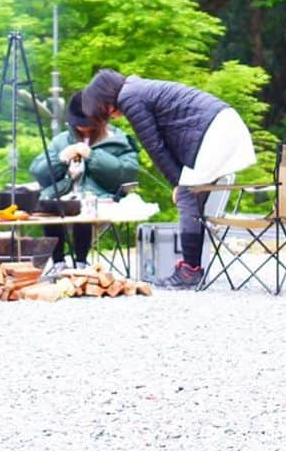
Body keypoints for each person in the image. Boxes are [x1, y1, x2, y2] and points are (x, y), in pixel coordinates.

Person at [81, 68, 256, 289]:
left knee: (186, 194)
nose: (107, 117)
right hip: (223, 124)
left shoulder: (130, 98)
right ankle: (193, 268)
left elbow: (155, 147)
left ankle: (190, 271)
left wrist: (176, 183)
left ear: (105, 98)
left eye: (101, 111)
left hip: (214, 131)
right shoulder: (137, 89)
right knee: (192, 195)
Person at [30, 91, 139, 274]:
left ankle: (81, 261)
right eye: (80, 127)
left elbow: (126, 173)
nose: (85, 131)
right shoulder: (61, 141)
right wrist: (60, 158)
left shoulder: (118, 141)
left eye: (90, 126)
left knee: (84, 207)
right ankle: (58, 262)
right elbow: (38, 171)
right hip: (64, 197)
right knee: (50, 206)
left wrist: (93, 156)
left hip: (100, 199)